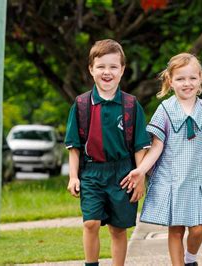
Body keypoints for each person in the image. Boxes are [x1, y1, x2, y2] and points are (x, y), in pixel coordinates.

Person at [122, 53, 202, 266]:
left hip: (197, 180)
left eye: (192, 78)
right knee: (176, 229)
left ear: (200, 79)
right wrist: (141, 170)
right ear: (170, 80)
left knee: (198, 228)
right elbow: (157, 147)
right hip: (171, 180)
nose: (187, 84)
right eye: (180, 79)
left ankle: (190, 258)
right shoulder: (165, 110)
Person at [64, 39, 150, 266]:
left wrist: (140, 176)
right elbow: (74, 146)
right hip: (91, 172)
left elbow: (140, 147)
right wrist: (74, 176)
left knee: (118, 228)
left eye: (113, 66)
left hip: (123, 172)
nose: (107, 72)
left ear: (122, 70)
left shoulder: (131, 105)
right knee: (90, 223)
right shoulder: (81, 104)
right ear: (91, 69)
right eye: (101, 66)